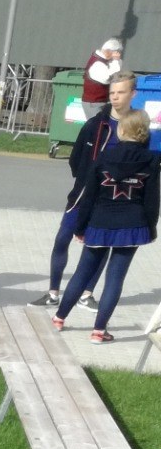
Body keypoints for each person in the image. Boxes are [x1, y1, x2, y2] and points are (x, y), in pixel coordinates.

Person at [54, 112, 158, 345]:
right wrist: (151, 228)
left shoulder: (104, 156)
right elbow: (152, 200)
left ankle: (59, 318)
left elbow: (89, 196)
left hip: (99, 223)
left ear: (121, 131)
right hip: (133, 226)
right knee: (115, 278)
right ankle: (99, 331)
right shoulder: (151, 161)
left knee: (82, 272)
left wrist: (80, 227)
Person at [48, 70, 136, 306]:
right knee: (62, 238)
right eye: (112, 92)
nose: (115, 97)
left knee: (99, 247)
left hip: (110, 201)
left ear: (132, 94)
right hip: (82, 195)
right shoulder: (95, 125)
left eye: (121, 92)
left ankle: (86, 294)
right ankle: (53, 293)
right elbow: (75, 159)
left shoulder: (137, 127)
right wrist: (86, 179)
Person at [82, 38, 124, 117]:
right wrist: (115, 61)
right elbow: (109, 78)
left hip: (101, 101)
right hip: (94, 102)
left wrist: (117, 61)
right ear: (109, 52)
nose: (118, 55)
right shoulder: (97, 63)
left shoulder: (104, 61)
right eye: (116, 52)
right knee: (96, 123)